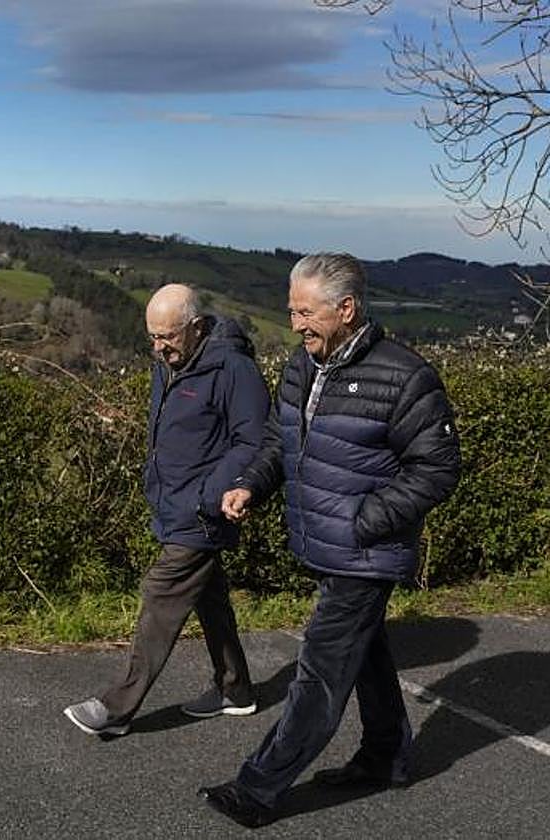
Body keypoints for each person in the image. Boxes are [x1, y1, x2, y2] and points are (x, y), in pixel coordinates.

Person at [199, 253, 461, 828]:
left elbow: (438, 467)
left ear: (346, 309)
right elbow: (280, 441)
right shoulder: (302, 365)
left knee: (319, 671)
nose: (295, 324)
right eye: (292, 311)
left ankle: (258, 789)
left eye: (305, 312)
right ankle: (385, 757)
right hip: (330, 544)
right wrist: (250, 485)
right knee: (365, 653)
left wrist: (364, 520)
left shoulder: (405, 375)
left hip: (365, 552)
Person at [63, 284, 270, 736]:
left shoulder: (233, 369)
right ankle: (235, 689)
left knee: (161, 593)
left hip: (203, 510)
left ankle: (116, 709)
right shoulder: (171, 362)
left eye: (167, 337)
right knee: (210, 600)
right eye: (152, 338)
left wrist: (208, 495)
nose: (158, 348)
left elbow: (253, 441)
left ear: (196, 327)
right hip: (174, 502)